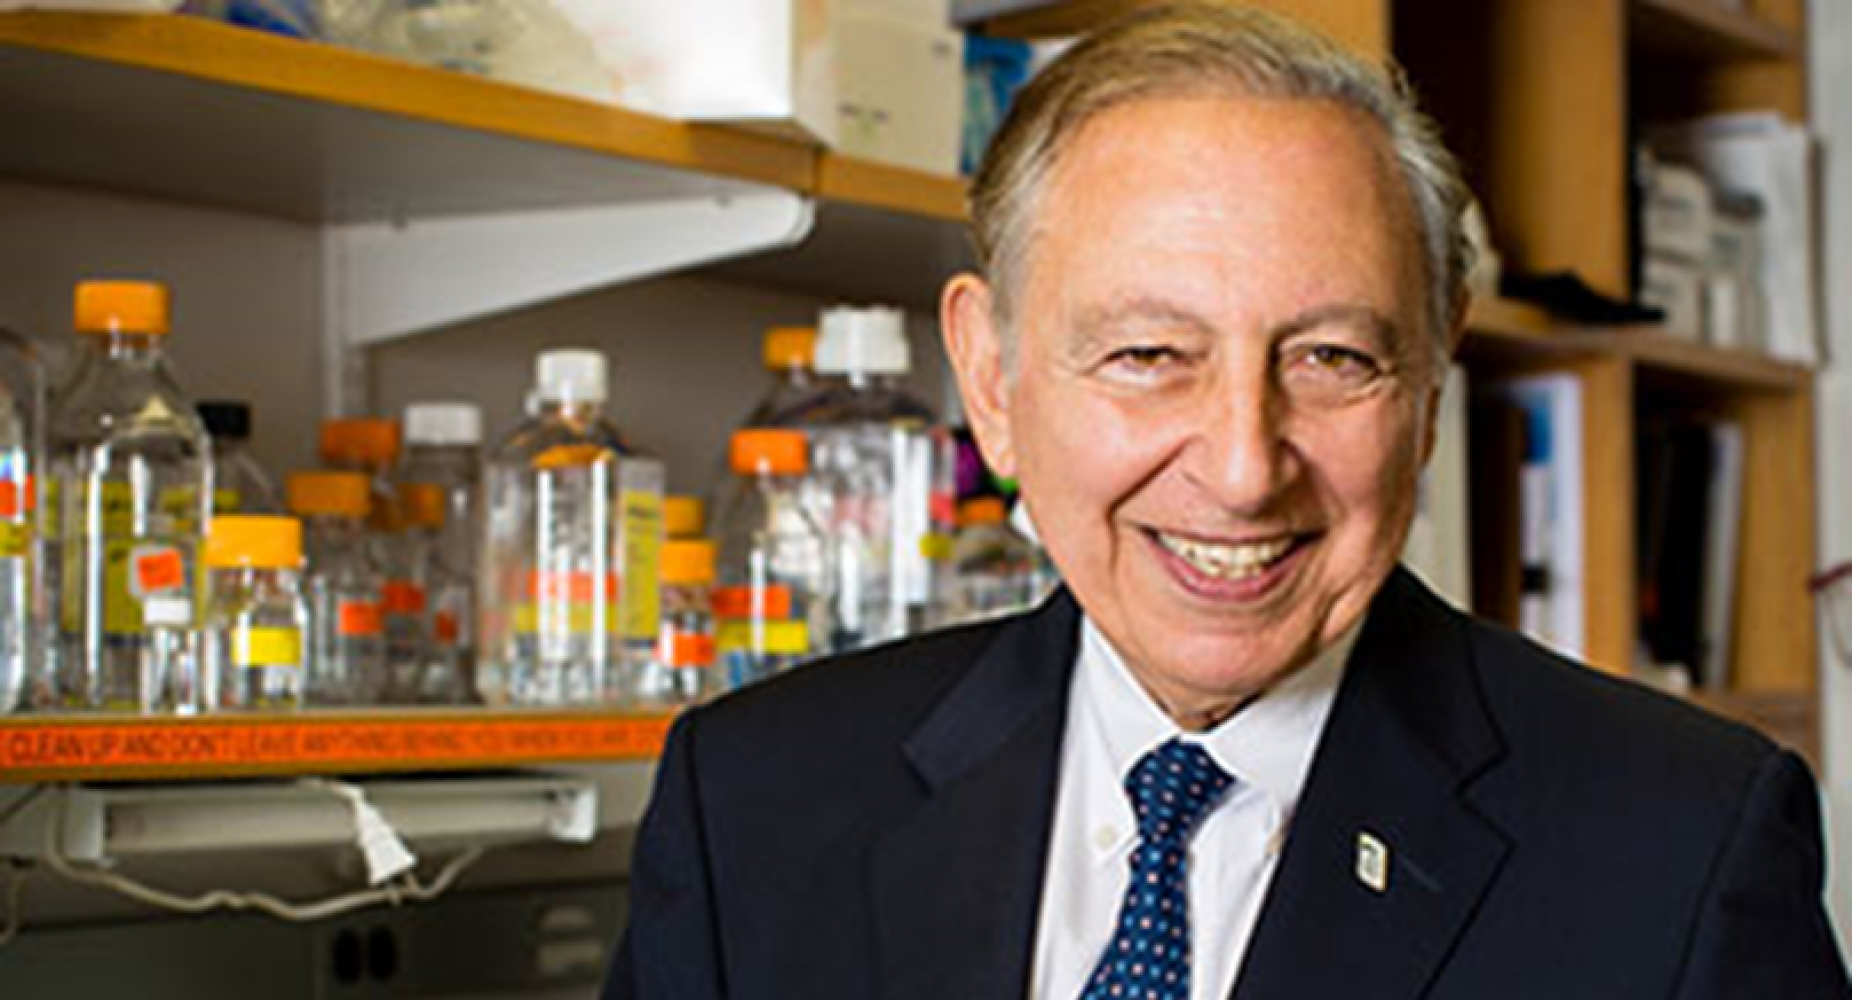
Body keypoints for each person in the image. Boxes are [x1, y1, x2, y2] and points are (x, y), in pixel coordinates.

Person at [605, 4, 1851, 997]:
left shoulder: (1682, 842)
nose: (1245, 466)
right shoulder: (753, 799)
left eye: (1332, 359)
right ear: (992, 377)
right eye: (1149, 354)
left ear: (1428, 382)